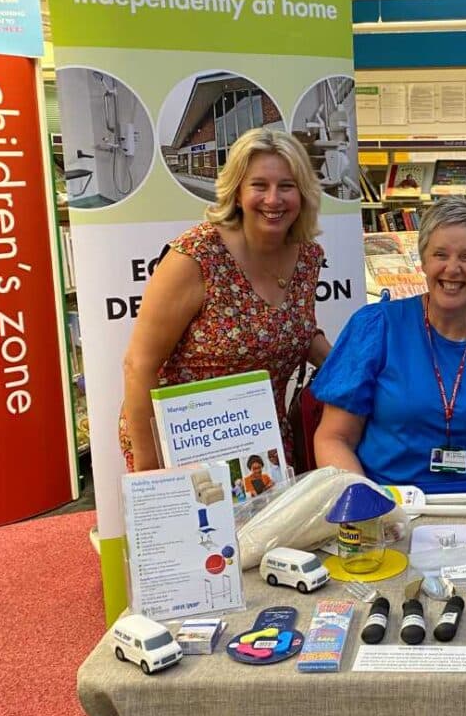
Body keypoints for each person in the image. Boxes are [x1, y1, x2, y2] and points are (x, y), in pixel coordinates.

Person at [120, 127, 331, 471]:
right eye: (259, 186)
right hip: (184, 439)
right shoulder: (198, 255)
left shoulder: (307, 257)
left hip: (261, 437)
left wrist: (353, 373)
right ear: (236, 193)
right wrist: (151, 475)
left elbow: (297, 330)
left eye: (287, 186)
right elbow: (138, 366)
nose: (273, 199)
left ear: (304, 193)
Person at [311, 197, 466, 486]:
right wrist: (368, 504)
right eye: (441, 254)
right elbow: (333, 438)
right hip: (384, 502)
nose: (452, 269)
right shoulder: (376, 329)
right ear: (424, 260)